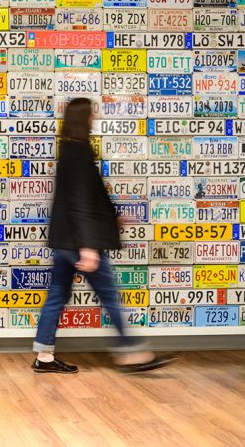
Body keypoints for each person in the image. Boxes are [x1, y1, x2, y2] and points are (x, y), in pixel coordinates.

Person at [32, 97, 176, 374]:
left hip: (63, 240)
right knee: (110, 295)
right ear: (83, 118)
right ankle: (131, 353)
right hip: (79, 243)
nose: (94, 119)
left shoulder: (68, 150)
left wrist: (112, 217)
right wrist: (88, 246)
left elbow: (85, 197)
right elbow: (79, 202)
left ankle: (44, 356)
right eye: (91, 115)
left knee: (57, 296)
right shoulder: (81, 152)